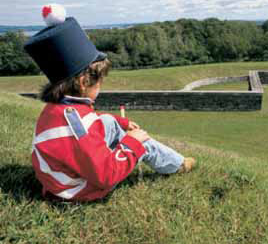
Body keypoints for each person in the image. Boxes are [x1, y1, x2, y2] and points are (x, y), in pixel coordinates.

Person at [24, 11, 195, 202]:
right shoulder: (79, 127)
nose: (101, 85)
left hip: (58, 179)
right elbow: (106, 175)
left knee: (107, 121)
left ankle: (172, 160)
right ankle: (178, 165)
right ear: (83, 82)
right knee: (141, 142)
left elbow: (91, 122)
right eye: (100, 81)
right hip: (80, 189)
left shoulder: (58, 109)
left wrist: (121, 122)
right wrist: (132, 143)